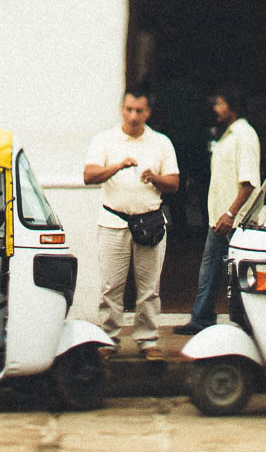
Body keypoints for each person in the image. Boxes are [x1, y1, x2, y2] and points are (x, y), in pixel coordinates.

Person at [83, 87, 181, 361]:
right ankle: (108, 340)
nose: (133, 116)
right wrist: (118, 166)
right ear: (121, 109)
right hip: (113, 221)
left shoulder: (161, 142)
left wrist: (155, 178)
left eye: (139, 110)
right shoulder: (105, 139)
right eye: (129, 109)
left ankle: (148, 341)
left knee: (149, 288)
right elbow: (88, 176)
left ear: (148, 112)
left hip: (149, 221)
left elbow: (173, 183)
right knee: (111, 287)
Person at [174, 86, 260, 335]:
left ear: (232, 108)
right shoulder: (228, 135)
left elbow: (249, 182)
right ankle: (201, 318)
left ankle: (241, 323)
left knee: (238, 274)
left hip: (234, 219)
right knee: (211, 269)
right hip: (220, 218)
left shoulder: (245, 135)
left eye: (220, 103)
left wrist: (231, 214)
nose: (215, 108)